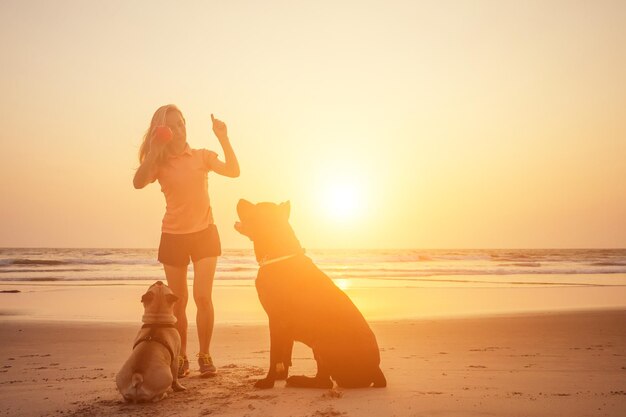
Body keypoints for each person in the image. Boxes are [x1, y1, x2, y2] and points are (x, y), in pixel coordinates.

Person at [133, 104, 240, 378]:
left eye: (181, 123)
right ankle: (180, 357)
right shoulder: (158, 162)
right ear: (162, 129)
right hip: (173, 236)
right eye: (171, 126)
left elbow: (233, 171)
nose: (179, 130)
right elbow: (138, 182)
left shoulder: (202, 156)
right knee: (179, 304)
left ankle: (205, 354)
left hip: (204, 232)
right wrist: (155, 150)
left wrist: (223, 137)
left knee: (203, 297)